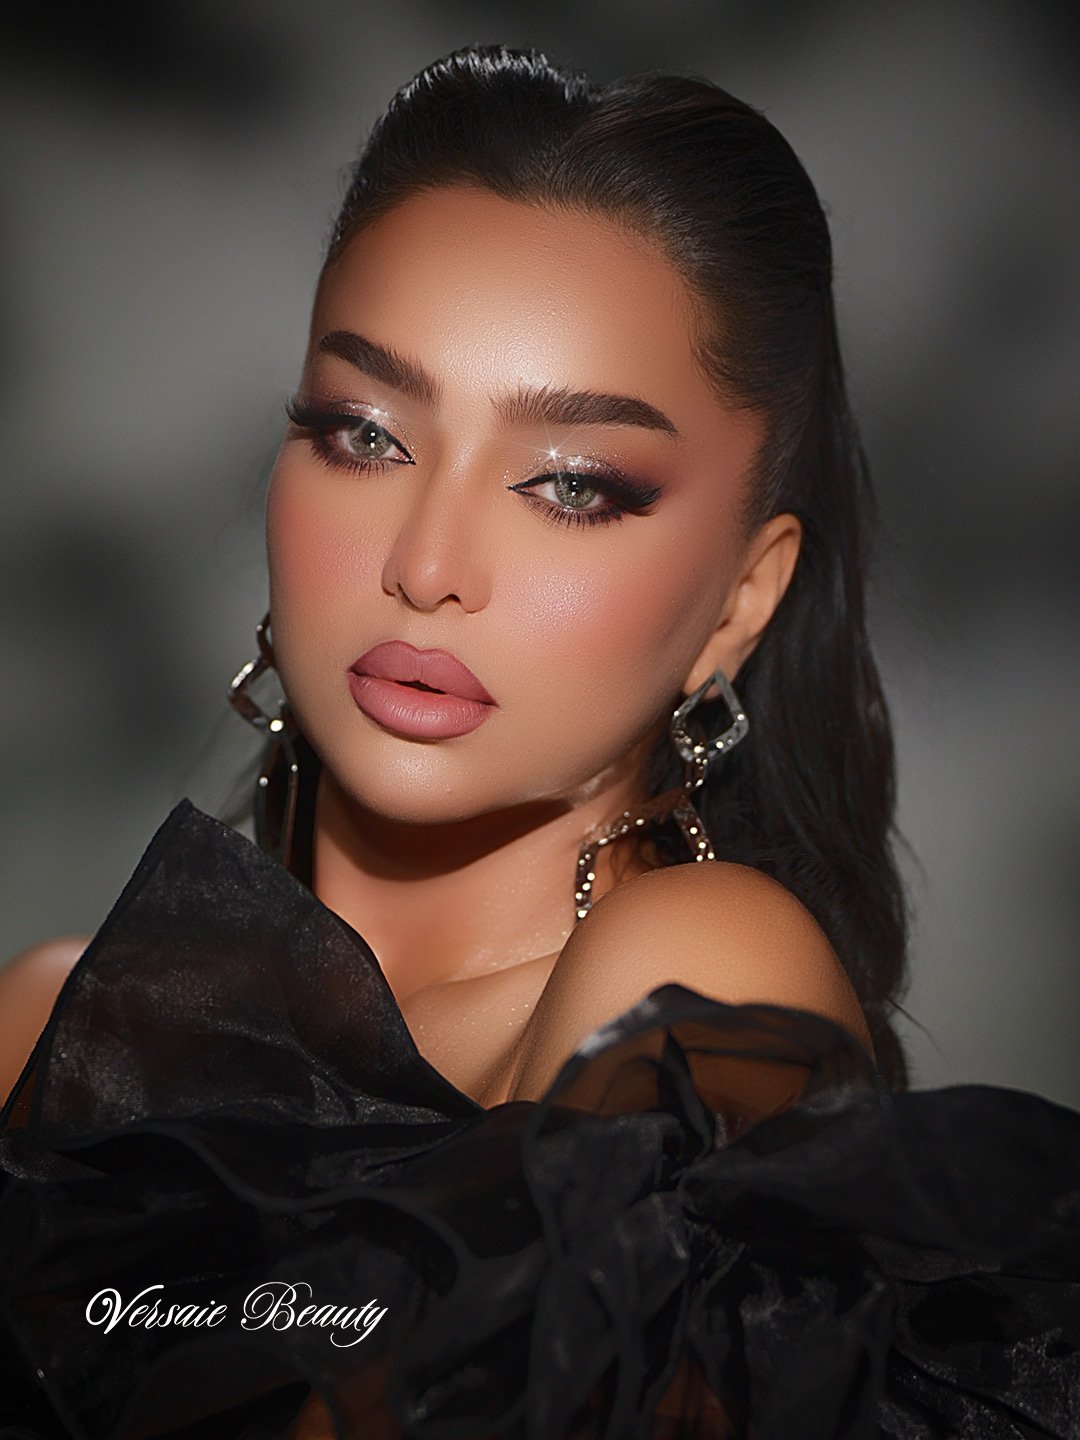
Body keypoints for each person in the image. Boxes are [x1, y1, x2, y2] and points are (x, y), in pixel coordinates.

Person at [0, 43, 1076, 1440]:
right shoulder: (47, 1025)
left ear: (739, 604)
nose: (430, 563)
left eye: (573, 486)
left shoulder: (691, 982)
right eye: (363, 433)